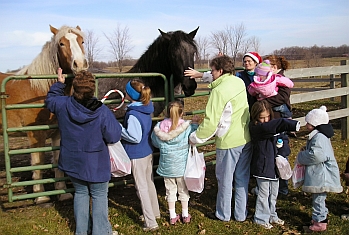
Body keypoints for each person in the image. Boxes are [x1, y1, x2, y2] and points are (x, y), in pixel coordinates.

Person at [45, 68, 121, 235]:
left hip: (73, 162)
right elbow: (114, 135)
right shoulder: (101, 111)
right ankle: (100, 232)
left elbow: (50, 100)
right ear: (92, 89)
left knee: (80, 193)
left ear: (74, 87)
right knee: (99, 195)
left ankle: (82, 231)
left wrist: (59, 84)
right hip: (96, 164)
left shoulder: (63, 105)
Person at [189, 55, 252, 222]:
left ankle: (223, 214)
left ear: (220, 71)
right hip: (245, 137)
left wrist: (194, 138)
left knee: (225, 179)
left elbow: (210, 123)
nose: (211, 72)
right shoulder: (238, 82)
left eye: (212, 70)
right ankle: (240, 213)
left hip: (228, 142)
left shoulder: (218, 91)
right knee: (241, 177)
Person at [249, 100, 300, 229]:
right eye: (262, 117)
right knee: (263, 193)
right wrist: (288, 124)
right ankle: (261, 218)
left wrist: (282, 152)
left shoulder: (273, 127)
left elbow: (283, 139)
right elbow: (273, 126)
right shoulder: (257, 128)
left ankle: (272, 214)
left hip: (275, 167)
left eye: (267, 117)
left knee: (274, 193)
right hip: (263, 166)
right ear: (255, 117)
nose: (265, 120)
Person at [119, 79, 160, 232]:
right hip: (147, 151)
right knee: (149, 183)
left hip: (137, 154)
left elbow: (134, 137)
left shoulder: (133, 114)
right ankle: (155, 213)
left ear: (130, 95)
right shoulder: (146, 108)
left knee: (141, 187)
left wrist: (120, 130)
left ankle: (151, 223)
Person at [151, 101, 200, 225]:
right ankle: (185, 214)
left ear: (167, 112)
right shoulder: (186, 127)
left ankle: (172, 216)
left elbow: (155, 142)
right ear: (182, 113)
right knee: (183, 190)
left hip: (167, 166)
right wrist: (194, 124)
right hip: (182, 166)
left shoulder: (159, 128)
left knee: (170, 190)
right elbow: (193, 137)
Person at [296, 106, 342, 232]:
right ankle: (321, 217)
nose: (306, 125)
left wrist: (302, 156)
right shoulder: (318, 136)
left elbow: (317, 155)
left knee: (318, 200)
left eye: (309, 123)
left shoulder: (319, 137)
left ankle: (320, 222)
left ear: (316, 124)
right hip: (320, 175)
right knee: (319, 198)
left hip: (322, 176)